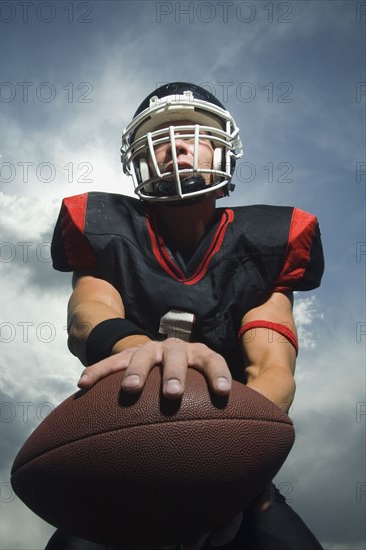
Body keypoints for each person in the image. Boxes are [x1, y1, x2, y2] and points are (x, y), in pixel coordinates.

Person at [47, 82, 325, 550]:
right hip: (123, 448)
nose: (175, 142)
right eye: (161, 134)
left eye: (194, 131)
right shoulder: (102, 224)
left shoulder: (270, 240)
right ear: (139, 158)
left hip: (228, 442)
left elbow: (273, 371)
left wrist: (230, 463)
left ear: (223, 150)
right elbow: (87, 315)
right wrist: (146, 351)